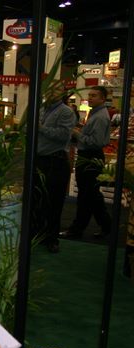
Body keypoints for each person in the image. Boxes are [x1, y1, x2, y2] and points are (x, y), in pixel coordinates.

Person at [60, 86, 112, 239]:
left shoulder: (100, 117)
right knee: (92, 195)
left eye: (94, 95)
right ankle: (106, 226)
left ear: (103, 99)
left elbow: (96, 142)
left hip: (90, 157)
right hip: (89, 156)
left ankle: (77, 229)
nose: (90, 98)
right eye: (89, 95)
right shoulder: (96, 113)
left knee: (86, 195)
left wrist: (76, 133)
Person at [31, 81, 77, 253]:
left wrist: (41, 128)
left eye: (57, 89)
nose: (52, 92)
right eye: (50, 88)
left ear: (63, 92)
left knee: (54, 202)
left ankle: (52, 238)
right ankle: (37, 235)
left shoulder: (66, 112)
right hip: (39, 160)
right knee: (37, 200)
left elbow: (63, 135)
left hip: (55, 162)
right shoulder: (41, 109)